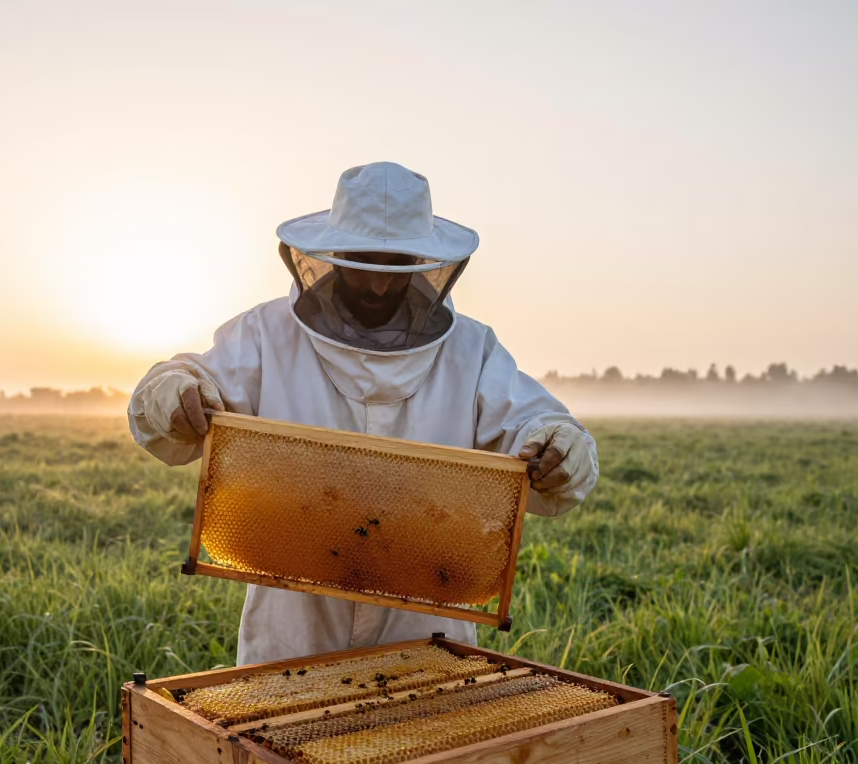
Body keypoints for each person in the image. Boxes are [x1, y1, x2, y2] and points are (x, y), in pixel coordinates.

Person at [129, 161, 599, 665]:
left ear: (423, 261)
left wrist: (556, 448)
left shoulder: (472, 350)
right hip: (296, 619)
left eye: (394, 267)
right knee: (278, 739)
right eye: (364, 265)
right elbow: (181, 386)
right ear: (332, 254)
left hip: (428, 622)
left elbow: (536, 423)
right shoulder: (268, 334)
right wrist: (176, 395)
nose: (378, 287)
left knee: (430, 739)